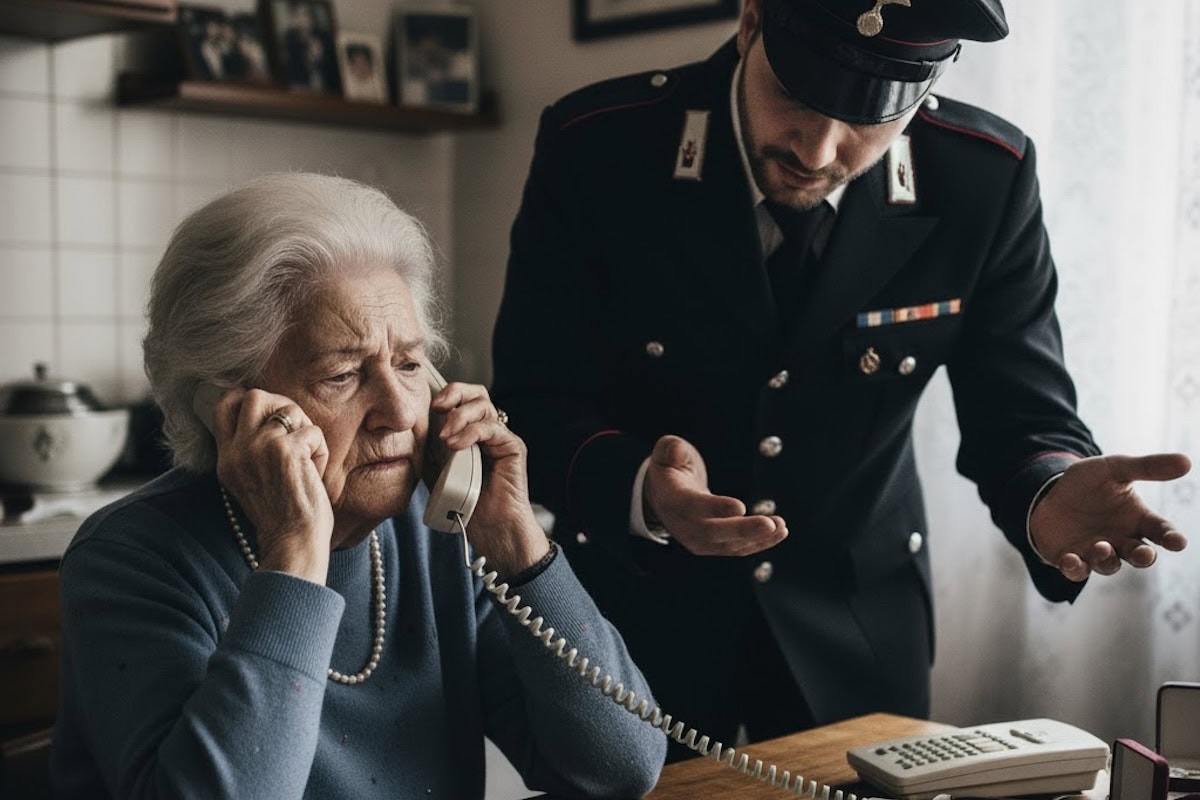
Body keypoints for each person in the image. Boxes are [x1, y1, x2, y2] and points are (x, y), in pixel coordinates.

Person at [491, 0, 1192, 762]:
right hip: (636, 618)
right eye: (796, 97)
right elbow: (537, 395)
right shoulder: (597, 146)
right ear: (751, 21)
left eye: (871, 116)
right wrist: (640, 491)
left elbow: (1021, 414)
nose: (819, 150)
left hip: (858, 625)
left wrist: (1048, 491)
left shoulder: (984, 177)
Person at [50, 173, 667, 798]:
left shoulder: (439, 534)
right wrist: (294, 551)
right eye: (343, 374)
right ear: (226, 405)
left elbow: (619, 769)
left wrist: (517, 541)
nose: (401, 412)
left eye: (407, 364)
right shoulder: (133, 558)